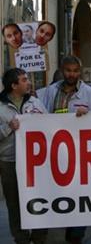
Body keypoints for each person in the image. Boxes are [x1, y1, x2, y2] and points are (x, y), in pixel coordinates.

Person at [38, 55, 91, 244]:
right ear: (62, 70)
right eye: (68, 70)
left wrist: (88, 116)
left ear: (80, 72)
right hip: (55, 150)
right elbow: (41, 114)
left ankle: (76, 233)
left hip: (81, 152)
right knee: (57, 191)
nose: (72, 74)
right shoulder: (49, 92)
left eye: (75, 70)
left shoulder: (89, 93)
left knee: (79, 193)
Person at [0, 68, 48, 244]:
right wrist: (7, 128)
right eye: (24, 80)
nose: (28, 82)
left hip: (35, 161)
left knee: (39, 198)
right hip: (9, 162)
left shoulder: (35, 102)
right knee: (14, 203)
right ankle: (20, 238)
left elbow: (49, 124)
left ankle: (39, 236)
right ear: (13, 85)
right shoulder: (0, 106)